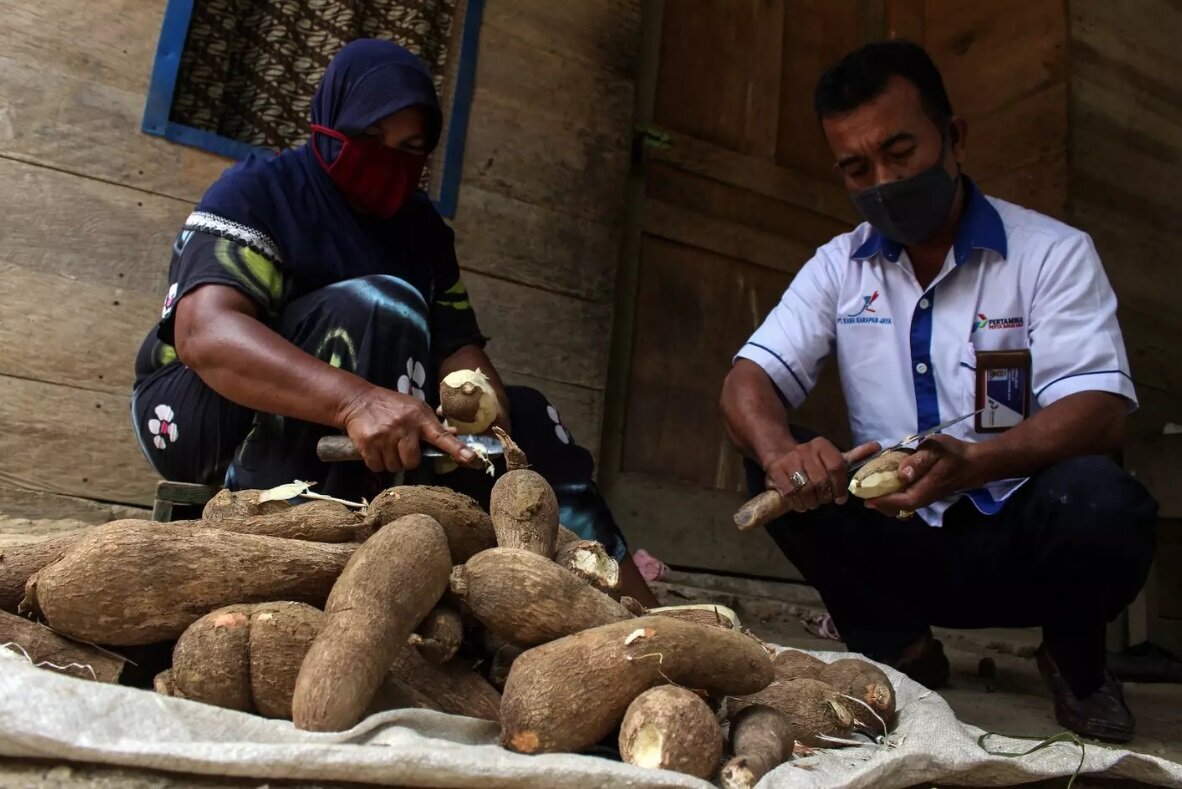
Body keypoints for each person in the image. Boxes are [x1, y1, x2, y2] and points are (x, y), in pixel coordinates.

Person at [720, 40, 1157, 742]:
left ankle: (1075, 660)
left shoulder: (1051, 253)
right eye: (857, 168)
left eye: (900, 151)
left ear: (953, 137)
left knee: (1103, 500)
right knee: (773, 461)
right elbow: (748, 381)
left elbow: (1100, 412)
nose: (884, 181)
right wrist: (780, 451)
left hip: (1014, 533)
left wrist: (979, 460)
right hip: (894, 533)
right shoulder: (838, 266)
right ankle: (901, 646)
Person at [131, 39, 658, 607]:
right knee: (378, 306)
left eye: (410, 148)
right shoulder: (259, 192)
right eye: (368, 140)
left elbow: (459, 348)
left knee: (526, 416)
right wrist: (356, 402)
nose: (388, 161)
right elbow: (203, 335)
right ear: (327, 124)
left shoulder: (422, 229)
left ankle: (626, 610)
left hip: (366, 431)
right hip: (203, 411)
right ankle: (302, 552)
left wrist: (487, 411)